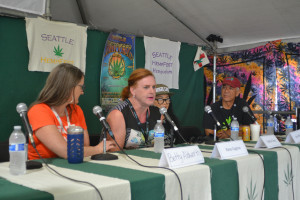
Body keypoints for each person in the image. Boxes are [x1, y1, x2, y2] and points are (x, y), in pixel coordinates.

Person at [28, 63, 115, 160]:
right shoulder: (38, 111)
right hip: (44, 168)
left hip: (72, 165)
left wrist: (88, 150)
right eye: (81, 87)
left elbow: (85, 147)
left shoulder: (76, 110)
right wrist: (98, 149)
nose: (82, 92)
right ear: (69, 87)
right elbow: (65, 152)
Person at [106, 68, 161, 151]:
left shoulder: (158, 112)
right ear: (133, 90)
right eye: (146, 87)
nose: (152, 91)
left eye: (154, 87)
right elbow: (115, 152)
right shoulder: (118, 114)